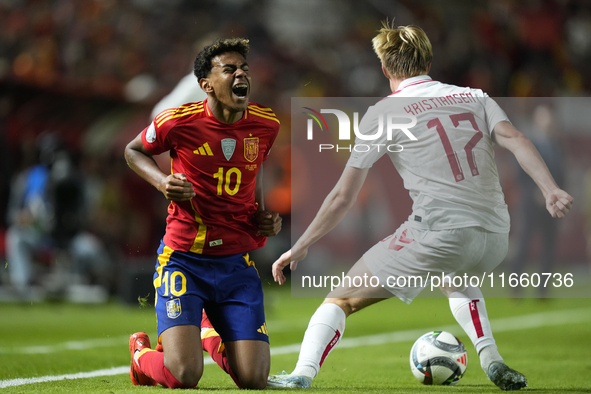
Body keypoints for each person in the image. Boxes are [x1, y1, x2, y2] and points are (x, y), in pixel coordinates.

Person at [267, 21, 573, 391]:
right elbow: (516, 138)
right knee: (454, 276)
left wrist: (301, 244)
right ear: (428, 60)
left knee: (340, 299)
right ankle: (492, 361)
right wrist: (550, 189)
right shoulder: (475, 95)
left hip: (441, 234)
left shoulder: (384, 111)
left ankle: (301, 375)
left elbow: (342, 197)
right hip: (495, 236)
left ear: (384, 68)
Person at [124, 37, 282, 389]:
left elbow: (253, 172)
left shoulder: (266, 124)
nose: (240, 73)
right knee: (185, 375)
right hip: (184, 260)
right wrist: (163, 182)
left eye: (244, 68)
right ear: (206, 85)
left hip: (234, 264)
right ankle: (139, 356)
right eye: (229, 69)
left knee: (254, 379)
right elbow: (133, 151)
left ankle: (208, 328)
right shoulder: (179, 122)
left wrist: (261, 214)